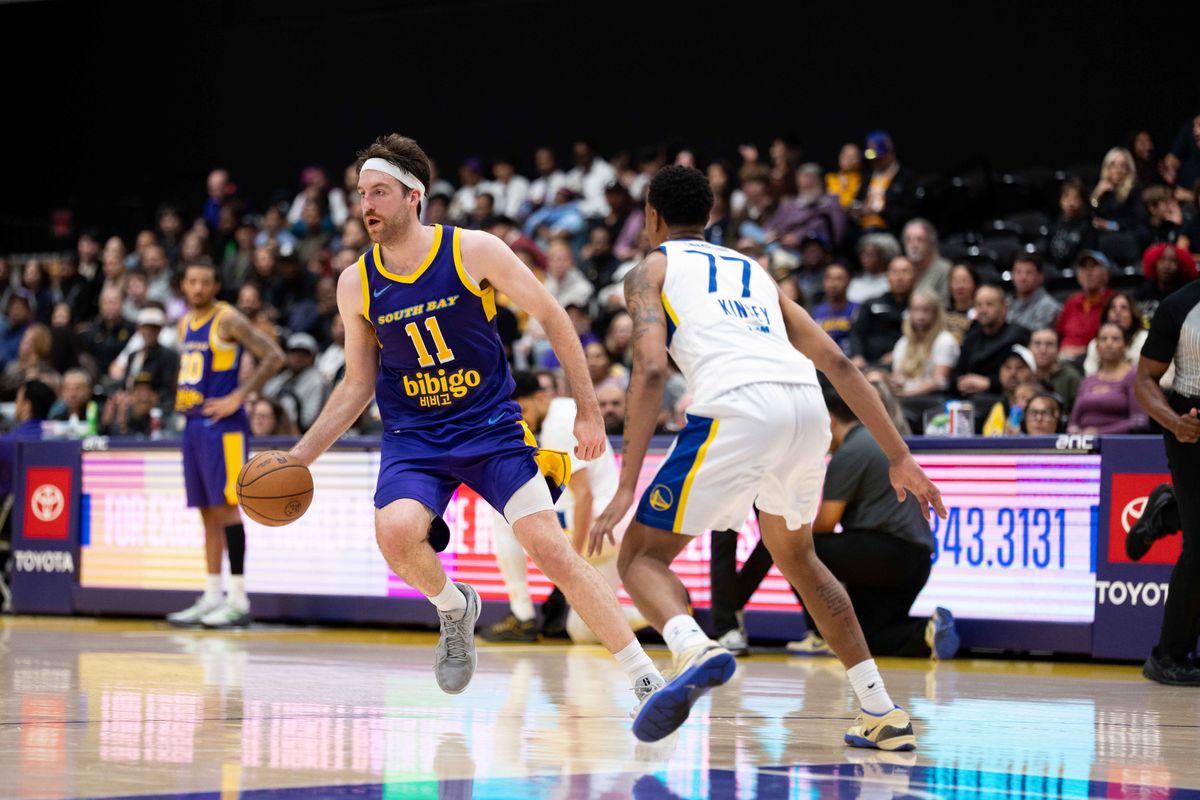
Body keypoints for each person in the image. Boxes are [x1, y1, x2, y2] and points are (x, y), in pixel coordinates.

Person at [283, 135, 676, 739]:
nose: (367, 205)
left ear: (414, 196)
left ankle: (646, 680)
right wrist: (299, 456)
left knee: (549, 547)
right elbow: (358, 382)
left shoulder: (473, 250)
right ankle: (454, 607)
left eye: (379, 192)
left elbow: (553, 315)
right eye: (362, 194)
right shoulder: (355, 283)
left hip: (490, 427)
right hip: (415, 438)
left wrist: (591, 412)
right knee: (395, 533)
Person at [591, 165, 945, 750]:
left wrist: (627, 487)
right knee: (799, 558)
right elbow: (839, 363)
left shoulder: (648, 271)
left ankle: (693, 645)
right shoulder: (751, 269)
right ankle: (881, 711)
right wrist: (899, 455)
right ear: (709, 216)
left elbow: (651, 369)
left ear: (650, 215)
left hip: (736, 406)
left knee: (640, 558)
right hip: (807, 410)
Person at [480, 372, 646, 644]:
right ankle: (666, 612)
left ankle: (522, 616)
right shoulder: (567, 408)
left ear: (541, 397)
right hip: (615, 529)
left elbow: (585, 497)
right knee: (582, 632)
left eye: (522, 410)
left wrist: (572, 567)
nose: (521, 419)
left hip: (597, 524)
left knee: (503, 515)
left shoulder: (558, 425)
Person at [167, 258, 285, 629]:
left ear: (216, 285)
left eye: (205, 282)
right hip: (193, 424)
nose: (198, 288)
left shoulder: (228, 318)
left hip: (224, 427)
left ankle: (238, 598)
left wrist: (240, 396)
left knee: (229, 510)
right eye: (192, 281)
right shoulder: (185, 322)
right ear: (183, 286)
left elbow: (274, 356)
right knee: (206, 511)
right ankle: (211, 594)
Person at [795, 389, 957, 659]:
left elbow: (825, 524)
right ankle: (927, 632)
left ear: (830, 420)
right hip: (916, 563)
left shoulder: (848, 453)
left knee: (796, 549)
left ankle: (819, 635)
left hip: (886, 555)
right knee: (863, 638)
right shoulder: (876, 442)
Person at [1133, 276, 1200, 684]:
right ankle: (1167, 656)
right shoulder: (1180, 305)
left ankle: (1170, 514)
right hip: (1192, 427)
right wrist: (1175, 423)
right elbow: (1143, 380)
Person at [1068, 323, 1148, 434]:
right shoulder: (1088, 380)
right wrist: (1074, 431)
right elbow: (1073, 422)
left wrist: (1099, 433)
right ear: (1097, 346)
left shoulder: (1133, 376)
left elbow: (1139, 421)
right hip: (1085, 445)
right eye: (1103, 339)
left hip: (1119, 444)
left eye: (1115, 339)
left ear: (1125, 345)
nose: (1109, 343)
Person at [1056, 250, 1115, 361]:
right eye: (1083, 268)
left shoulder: (1113, 302)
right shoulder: (1072, 301)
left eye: (1093, 267)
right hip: (1062, 358)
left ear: (1106, 273)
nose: (1088, 273)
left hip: (1094, 359)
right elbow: (1058, 333)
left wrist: (1082, 352)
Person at [1082, 291, 1148, 375]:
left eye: (1124, 308)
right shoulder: (1095, 344)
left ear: (1132, 314)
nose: (1118, 312)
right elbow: (1090, 378)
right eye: (1113, 308)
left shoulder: (1144, 339)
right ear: (1106, 315)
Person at [1029, 327, 1082, 412]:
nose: (1043, 350)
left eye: (1049, 344)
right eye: (1037, 344)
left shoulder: (1071, 378)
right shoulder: (1023, 372)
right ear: (1029, 347)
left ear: (1058, 349)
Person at [1006, 254, 1061, 332]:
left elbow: (1038, 339)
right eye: (1018, 272)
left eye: (1028, 273)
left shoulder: (1048, 306)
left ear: (1040, 277)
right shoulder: (1006, 302)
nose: (1023, 278)